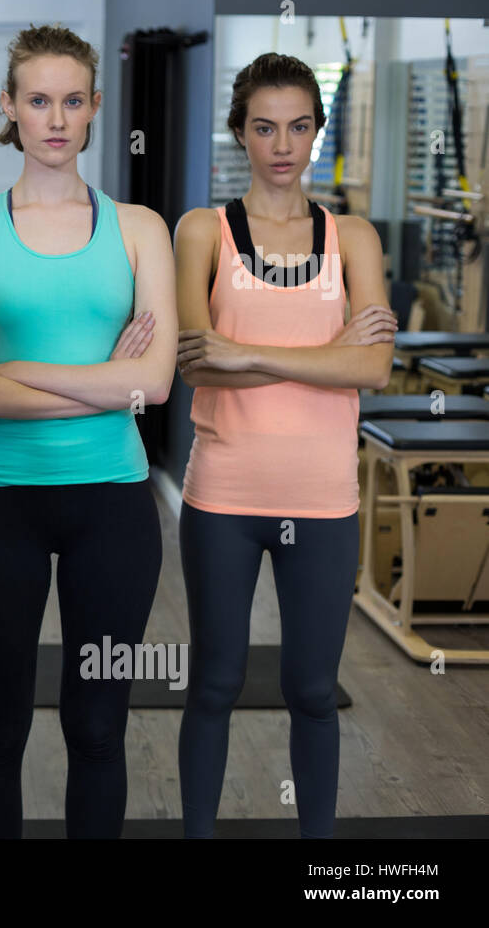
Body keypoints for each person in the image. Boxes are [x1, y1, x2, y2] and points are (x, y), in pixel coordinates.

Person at [0, 24, 176, 838]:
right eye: (38, 100)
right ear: (11, 107)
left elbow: (156, 381)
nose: (56, 117)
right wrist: (106, 386)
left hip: (114, 504)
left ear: (96, 108)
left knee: (99, 730)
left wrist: (22, 375)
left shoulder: (141, 229)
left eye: (73, 100)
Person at [173, 52, 395, 838]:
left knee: (311, 689)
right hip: (224, 496)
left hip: (325, 502)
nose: (282, 143)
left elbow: (373, 367)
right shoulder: (202, 231)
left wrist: (252, 353)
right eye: (264, 126)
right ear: (240, 132)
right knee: (214, 683)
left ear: (316, 134)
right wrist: (321, 359)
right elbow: (195, 363)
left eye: (299, 126)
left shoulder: (353, 238)